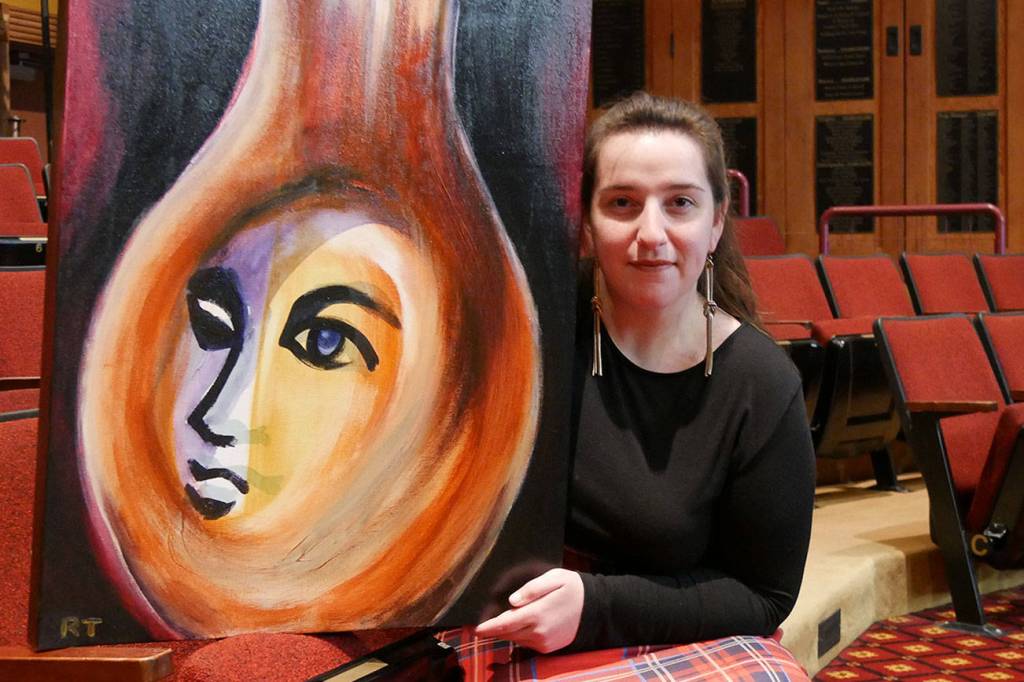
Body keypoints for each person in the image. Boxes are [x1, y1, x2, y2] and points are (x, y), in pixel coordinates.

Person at [475, 92, 816, 653]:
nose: (651, 234)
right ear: (587, 221)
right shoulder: (523, 325)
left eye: (680, 203)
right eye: (623, 203)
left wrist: (597, 608)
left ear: (716, 222)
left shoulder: (762, 383)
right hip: (491, 627)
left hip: (663, 640)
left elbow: (764, 595)